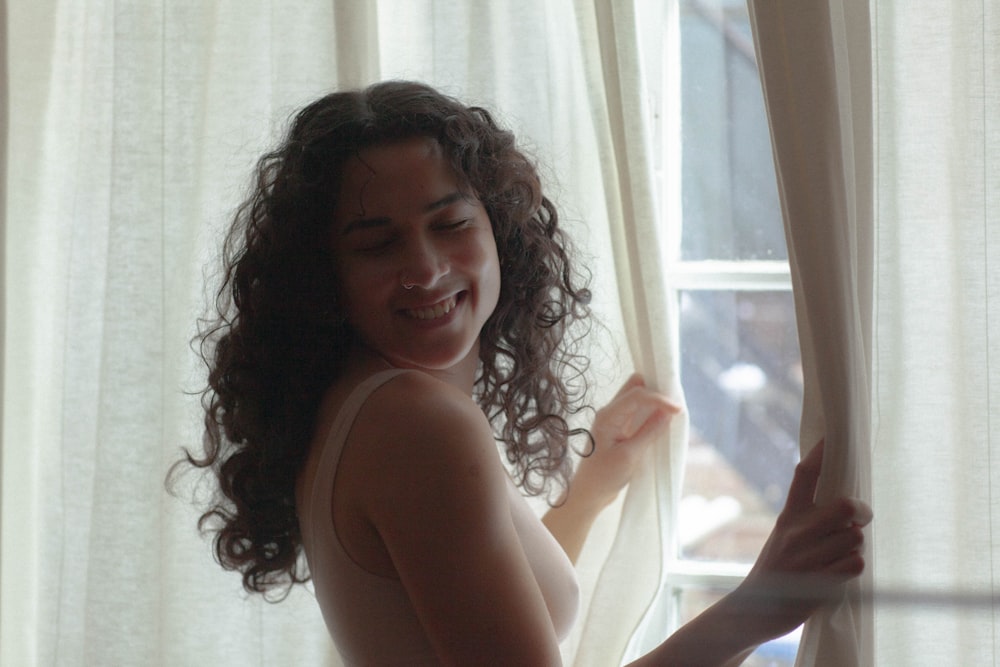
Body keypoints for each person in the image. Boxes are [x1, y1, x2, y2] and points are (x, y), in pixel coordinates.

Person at [181, 80, 872, 666]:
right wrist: (756, 607)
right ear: (326, 274)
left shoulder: (365, 402)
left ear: (499, 230)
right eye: (378, 243)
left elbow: (475, 611)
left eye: (449, 223)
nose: (425, 268)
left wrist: (588, 493)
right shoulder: (414, 423)